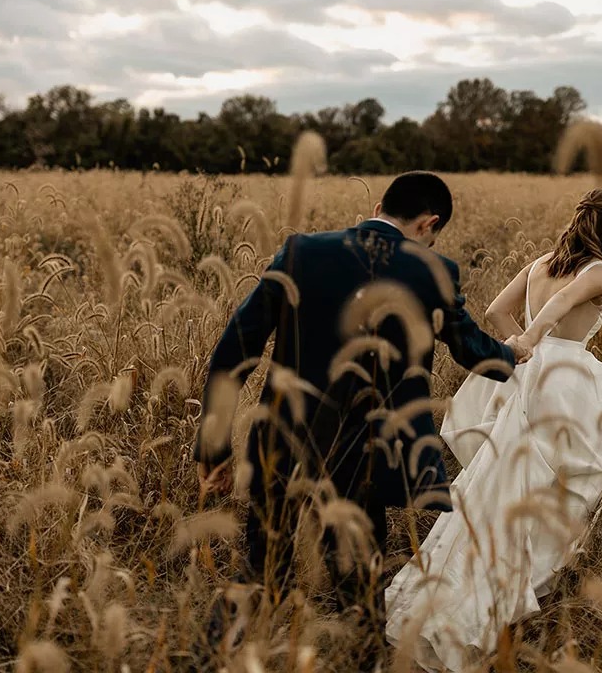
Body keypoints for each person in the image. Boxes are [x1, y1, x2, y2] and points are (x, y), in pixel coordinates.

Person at [193, 171, 527, 671]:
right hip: (367, 458)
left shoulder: (301, 251)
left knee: (261, 571)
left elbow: (232, 352)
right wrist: (513, 353)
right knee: (362, 588)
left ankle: (201, 659)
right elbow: (473, 350)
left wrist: (214, 450)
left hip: (282, 443)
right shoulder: (432, 270)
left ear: (379, 204)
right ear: (428, 223)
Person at [384, 188, 602, 673]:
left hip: (531, 377)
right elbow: (563, 302)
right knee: (555, 486)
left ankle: (461, 592)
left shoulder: (540, 262)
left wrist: (523, 348)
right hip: (565, 383)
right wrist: (539, 340)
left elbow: (496, 311)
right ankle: (501, 595)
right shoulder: (601, 270)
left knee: (498, 487)